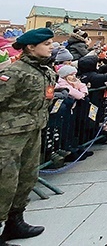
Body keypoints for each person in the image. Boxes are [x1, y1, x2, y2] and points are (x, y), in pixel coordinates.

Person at [0, 28, 56, 243]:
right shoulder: (16, 72)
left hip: (33, 130)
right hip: (9, 134)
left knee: (27, 177)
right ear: (31, 47)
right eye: (47, 44)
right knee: (5, 180)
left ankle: (15, 222)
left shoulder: (45, 71)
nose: (51, 47)